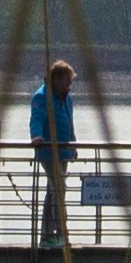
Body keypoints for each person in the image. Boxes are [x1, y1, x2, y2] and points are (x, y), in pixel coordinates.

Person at [28, 60, 79, 245]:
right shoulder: (42, 96)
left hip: (64, 150)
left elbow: (69, 122)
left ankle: (47, 235)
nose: (69, 84)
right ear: (56, 79)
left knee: (53, 192)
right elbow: (37, 118)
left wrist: (73, 145)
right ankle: (60, 233)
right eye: (66, 80)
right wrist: (36, 136)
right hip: (49, 152)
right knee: (59, 189)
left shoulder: (66, 97)